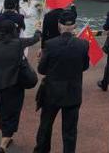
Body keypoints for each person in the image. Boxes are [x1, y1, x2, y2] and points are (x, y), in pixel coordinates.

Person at [0, 18, 42, 152]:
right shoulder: (18, 43)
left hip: (0, 85)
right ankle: (4, 141)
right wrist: (38, 29)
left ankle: (5, 135)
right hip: (16, 84)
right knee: (14, 112)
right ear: (13, 30)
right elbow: (35, 39)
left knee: (3, 111)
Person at [34, 12, 90, 153]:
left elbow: (42, 70)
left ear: (59, 25)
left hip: (52, 92)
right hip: (73, 92)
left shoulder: (50, 44)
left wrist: (42, 62)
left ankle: (42, 150)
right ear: (74, 26)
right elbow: (85, 66)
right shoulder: (83, 45)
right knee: (70, 131)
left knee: (46, 126)